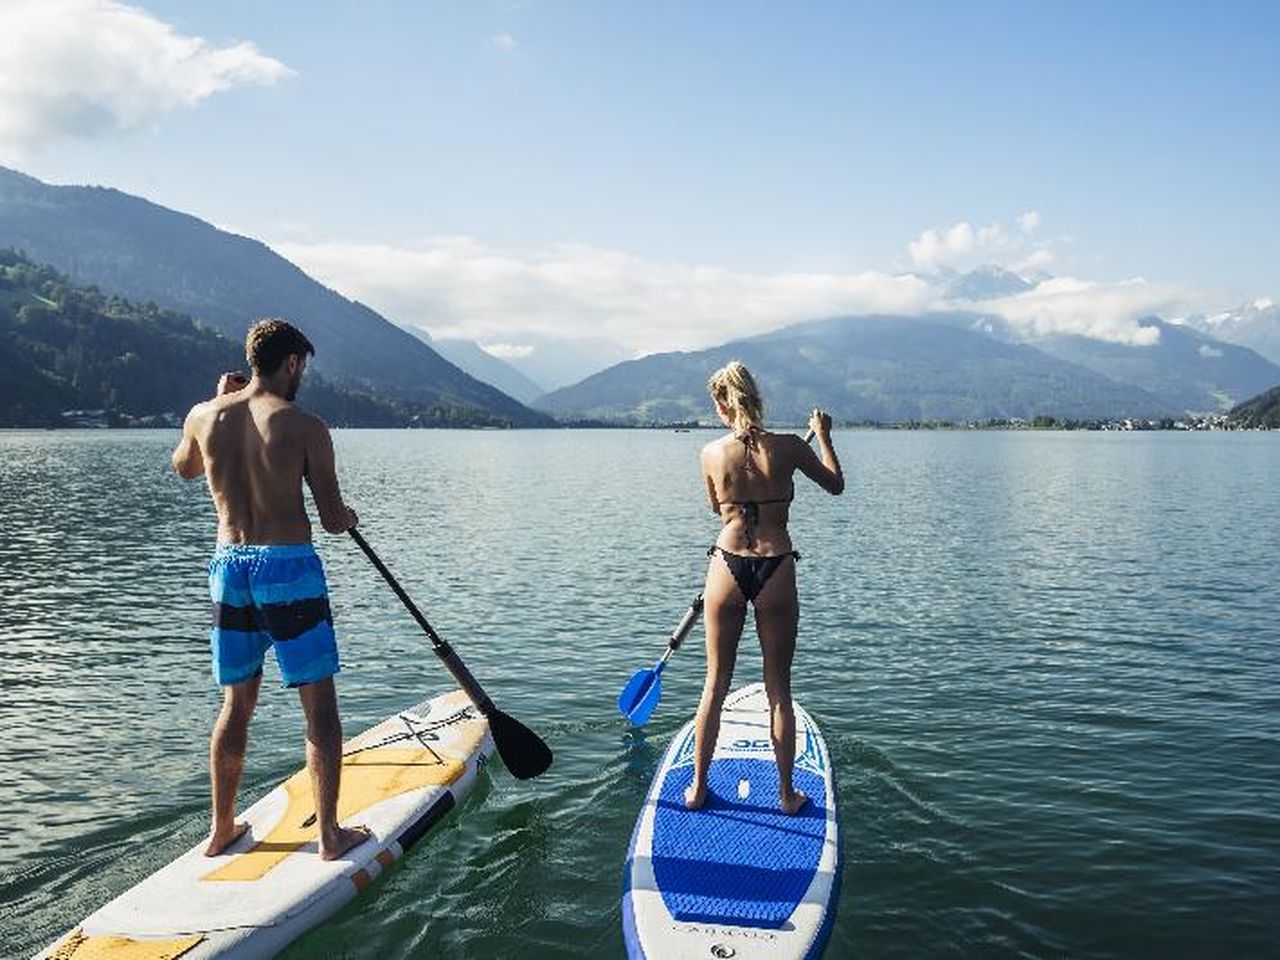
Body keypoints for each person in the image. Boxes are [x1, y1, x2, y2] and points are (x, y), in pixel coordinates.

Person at [171, 318, 370, 860]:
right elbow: (331, 519)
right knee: (319, 706)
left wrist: (215, 404)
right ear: (292, 363)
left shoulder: (203, 416)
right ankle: (330, 837)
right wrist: (348, 514)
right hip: (287, 569)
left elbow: (185, 468)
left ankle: (221, 829)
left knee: (236, 702)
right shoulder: (304, 425)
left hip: (228, 565)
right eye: (302, 366)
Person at [686, 361, 844, 815]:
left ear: (721, 405)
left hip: (727, 563)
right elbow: (835, 485)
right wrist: (824, 436)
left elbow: (717, 507)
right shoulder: (792, 447)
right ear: (756, 397)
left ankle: (697, 789)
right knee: (779, 688)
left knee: (714, 683)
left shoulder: (711, 453)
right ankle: (787, 794)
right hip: (776, 565)